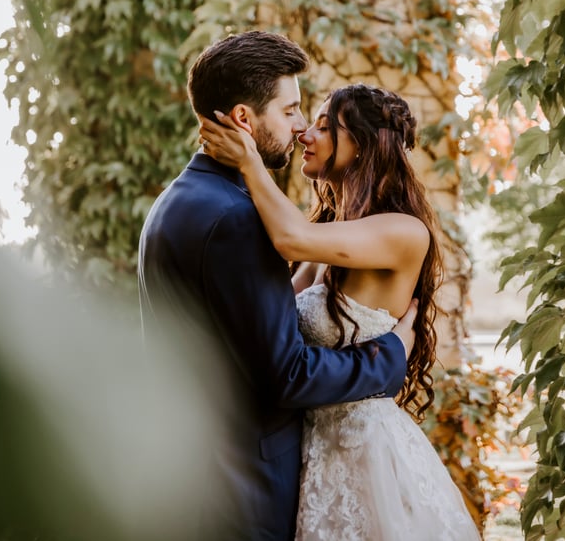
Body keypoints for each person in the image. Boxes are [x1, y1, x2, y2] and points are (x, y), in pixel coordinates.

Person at [138, 33, 417, 541]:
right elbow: (286, 373)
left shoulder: (177, 201)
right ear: (245, 119)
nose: (300, 128)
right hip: (243, 493)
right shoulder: (237, 220)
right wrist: (391, 354)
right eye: (291, 111)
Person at [199, 82, 481, 541]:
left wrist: (249, 161)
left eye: (326, 127)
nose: (305, 135)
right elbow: (277, 323)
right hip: (310, 452)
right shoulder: (328, 236)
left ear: (365, 145)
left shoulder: (404, 232)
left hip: (366, 457)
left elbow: (287, 238)